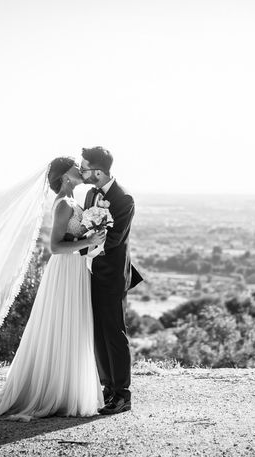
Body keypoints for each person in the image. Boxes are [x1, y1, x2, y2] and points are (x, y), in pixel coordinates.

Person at [0, 157, 107, 424]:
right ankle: (55, 393)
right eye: (75, 166)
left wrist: (93, 241)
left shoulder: (75, 201)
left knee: (73, 327)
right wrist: (89, 240)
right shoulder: (63, 204)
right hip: (65, 270)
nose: (80, 169)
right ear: (64, 176)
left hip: (76, 270)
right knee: (62, 325)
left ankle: (67, 391)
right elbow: (55, 247)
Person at [79, 147, 142, 415]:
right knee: (97, 333)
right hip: (91, 272)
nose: (81, 172)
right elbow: (84, 227)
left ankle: (122, 395)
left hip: (113, 275)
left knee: (114, 333)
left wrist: (88, 246)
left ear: (98, 172)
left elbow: (114, 239)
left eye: (84, 169)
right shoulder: (91, 193)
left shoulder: (124, 199)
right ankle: (107, 388)